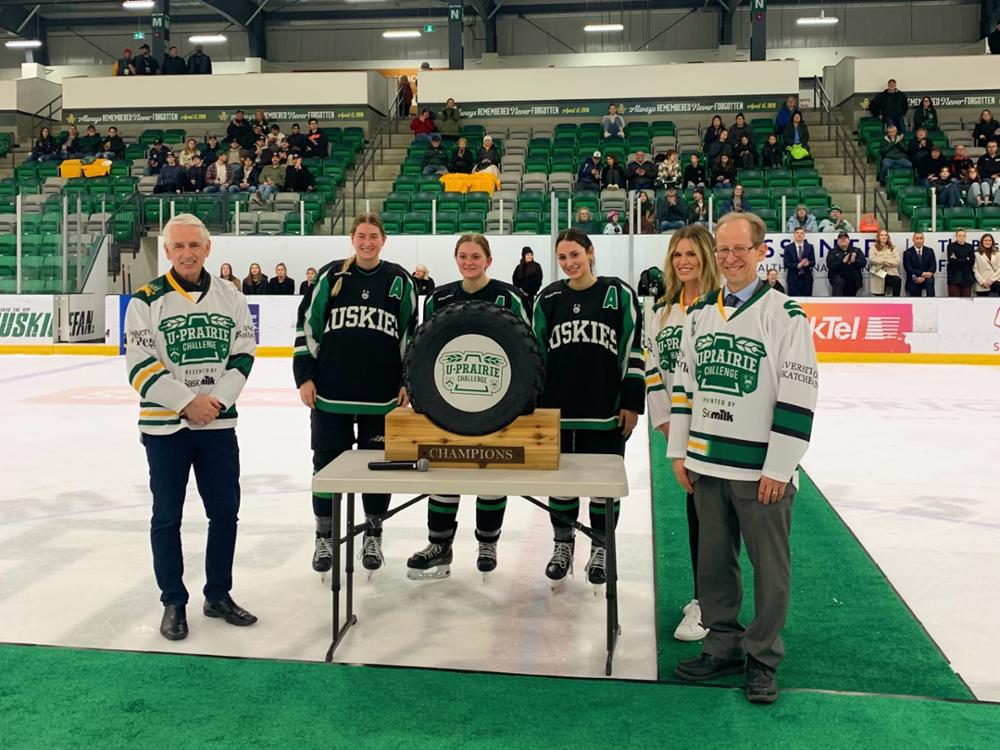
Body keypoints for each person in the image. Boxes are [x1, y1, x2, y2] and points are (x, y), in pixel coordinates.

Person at [668, 211, 818, 705]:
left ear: (760, 252)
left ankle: (762, 656)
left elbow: (799, 395)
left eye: (740, 249)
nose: (730, 258)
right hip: (707, 465)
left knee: (769, 568)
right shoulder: (698, 314)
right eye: (723, 249)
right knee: (714, 565)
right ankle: (723, 646)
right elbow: (684, 390)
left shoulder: (785, 315)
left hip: (760, 472)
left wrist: (780, 466)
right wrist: (679, 453)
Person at [124, 213, 258, 641]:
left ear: (207, 249)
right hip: (166, 428)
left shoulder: (230, 295)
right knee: (167, 516)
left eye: (194, 246)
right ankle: (173, 601)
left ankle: (217, 594)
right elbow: (139, 367)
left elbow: (243, 354)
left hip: (217, 424)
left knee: (224, 513)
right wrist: (186, 404)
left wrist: (214, 402)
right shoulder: (146, 300)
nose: (186, 253)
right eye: (178, 246)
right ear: (167, 252)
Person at [294, 213, 417, 576]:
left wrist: (407, 381)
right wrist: (305, 377)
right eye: (361, 236)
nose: (367, 242)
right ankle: (325, 536)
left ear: (384, 239)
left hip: (380, 396)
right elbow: (308, 327)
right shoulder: (332, 275)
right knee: (325, 467)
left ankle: (372, 532)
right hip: (331, 394)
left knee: (379, 469)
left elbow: (410, 335)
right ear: (352, 238)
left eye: (373, 236)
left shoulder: (399, 280)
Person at [407, 235, 532, 579]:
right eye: (463, 256)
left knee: (491, 474)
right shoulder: (439, 298)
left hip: (498, 402)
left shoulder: (509, 297)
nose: (469, 261)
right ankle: (439, 545)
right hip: (447, 402)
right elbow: (422, 350)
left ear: (488, 260)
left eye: (476, 256)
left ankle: (488, 542)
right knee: (443, 472)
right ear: (456, 258)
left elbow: (528, 350)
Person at [532, 227, 644, 585]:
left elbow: (633, 349)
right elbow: (534, 356)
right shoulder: (548, 298)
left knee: (603, 485)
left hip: (605, 409)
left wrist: (631, 401)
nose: (569, 263)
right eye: (562, 258)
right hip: (557, 411)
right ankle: (562, 544)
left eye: (575, 255)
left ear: (590, 252)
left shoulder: (618, 293)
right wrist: (532, 407)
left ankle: (601, 547)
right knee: (561, 483)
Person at [646, 224, 719, 642]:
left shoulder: (723, 307)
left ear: (706, 257)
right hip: (681, 427)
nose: (684, 261)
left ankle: (711, 602)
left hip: (719, 426)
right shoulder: (662, 311)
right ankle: (703, 597)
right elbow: (654, 369)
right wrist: (666, 421)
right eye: (677, 255)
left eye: (691, 253)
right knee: (698, 513)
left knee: (717, 516)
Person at [827, 231, 867, 296]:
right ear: (837, 241)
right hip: (838, 282)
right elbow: (830, 265)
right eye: (841, 238)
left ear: (849, 241)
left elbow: (863, 263)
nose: (843, 240)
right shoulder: (832, 252)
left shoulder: (856, 250)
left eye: (845, 238)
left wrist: (854, 261)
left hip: (853, 282)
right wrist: (842, 262)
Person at [782, 228, 815, 297]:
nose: (799, 235)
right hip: (793, 280)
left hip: (807, 279)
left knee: (808, 302)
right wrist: (798, 265)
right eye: (797, 233)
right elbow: (786, 264)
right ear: (794, 235)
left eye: (801, 233)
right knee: (793, 302)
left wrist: (808, 263)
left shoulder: (810, 247)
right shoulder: (788, 248)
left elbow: (813, 262)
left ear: (804, 235)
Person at [868, 229, 902, 297]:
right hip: (878, 273)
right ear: (878, 237)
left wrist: (884, 263)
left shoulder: (893, 248)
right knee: (879, 291)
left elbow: (897, 260)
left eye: (885, 235)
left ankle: (896, 301)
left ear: (888, 237)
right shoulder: (873, 248)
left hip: (891, 273)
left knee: (897, 280)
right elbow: (872, 258)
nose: (884, 237)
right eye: (881, 235)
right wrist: (885, 261)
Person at [903, 232, 936, 296]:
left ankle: (932, 303)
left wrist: (924, 276)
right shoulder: (907, 253)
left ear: (923, 239)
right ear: (913, 239)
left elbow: (933, 266)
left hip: (927, 277)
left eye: (921, 238)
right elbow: (908, 268)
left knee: (930, 280)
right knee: (914, 288)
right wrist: (921, 274)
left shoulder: (930, 251)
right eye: (917, 238)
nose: (919, 240)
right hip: (913, 277)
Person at [946, 228, 976, 297]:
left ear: (966, 237)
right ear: (956, 236)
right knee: (954, 302)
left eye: (963, 235)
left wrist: (958, 259)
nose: (961, 237)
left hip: (967, 278)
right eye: (959, 235)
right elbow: (952, 261)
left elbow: (971, 261)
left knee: (966, 302)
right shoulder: (951, 246)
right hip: (954, 278)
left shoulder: (970, 247)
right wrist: (966, 259)